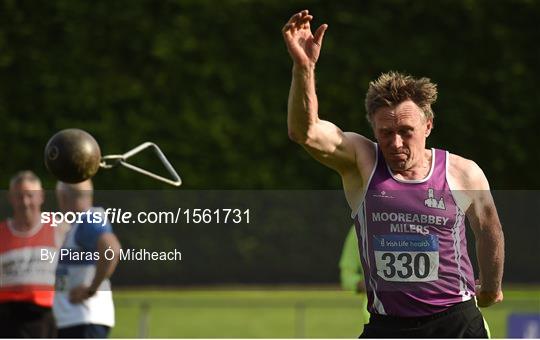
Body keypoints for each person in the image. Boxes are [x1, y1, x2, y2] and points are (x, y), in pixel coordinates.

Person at [283, 10, 504, 338]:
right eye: (385, 132)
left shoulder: (462, 172)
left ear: (428, 126)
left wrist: (490, 288)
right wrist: (304, 68)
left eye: (406, 130)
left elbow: (489, 230)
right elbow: (306, 132)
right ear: (373, 127)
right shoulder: (362, 161)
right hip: (389, 326)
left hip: (456, 323)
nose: (396, 142)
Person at [53, 180, 121, 338]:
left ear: (62, 197)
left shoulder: (89, 219)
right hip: (76, 321)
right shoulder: (77, 223)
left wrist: (91, 289)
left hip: (83, 320)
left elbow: (112, 248)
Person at [0, 171, 61, 337]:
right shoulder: (2, 232)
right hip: (7, 318)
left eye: (30, 195)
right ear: (11, 198)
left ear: (41, 196)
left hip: (45, 317)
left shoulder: (58, 228)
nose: (25, 202)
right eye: (19, 196)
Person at [339, 226, 370, 325]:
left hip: (416, 313)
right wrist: (362, 284)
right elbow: (347, 275)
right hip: (373, 316)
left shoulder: (417, 219)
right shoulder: (359, 227)